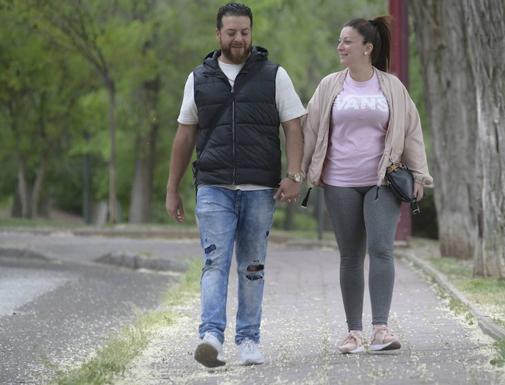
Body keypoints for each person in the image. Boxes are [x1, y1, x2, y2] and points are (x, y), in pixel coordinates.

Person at [165, 2, 306, 368]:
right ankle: (210, 336)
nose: (239, 38)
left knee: (253, 265)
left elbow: (294, 125)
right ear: (218, 35)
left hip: (260, 188)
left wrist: (294, 176)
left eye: (244, 32)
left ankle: (249, 340)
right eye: (231, 33)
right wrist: (171, 188)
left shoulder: (274, 75)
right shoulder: (199, 78)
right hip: (213, 187)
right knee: (215, 262)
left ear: (251, 32)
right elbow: (184, 134)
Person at [301, 16, 433, 354]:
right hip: (339, 182)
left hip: (382, 182)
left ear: (367, 48)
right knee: (350, 255)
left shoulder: (391, 87)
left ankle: (381, 330)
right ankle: (353, 333)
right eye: (340, 41)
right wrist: (297, 174)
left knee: (382, 249)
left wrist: (419, 174)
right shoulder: (330, 85)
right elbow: (311, 130)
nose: (340, 46)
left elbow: (411, 131)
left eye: (347, 41)